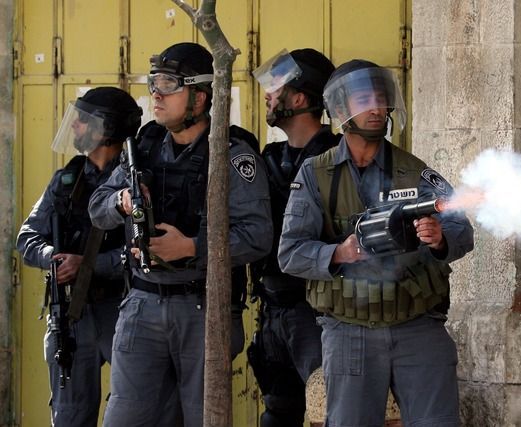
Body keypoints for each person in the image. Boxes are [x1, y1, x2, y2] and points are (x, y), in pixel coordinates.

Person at [278, 60, 474, 426]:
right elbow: (290, 253)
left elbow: (462, 229)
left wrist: (439, 238)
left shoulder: (413, 170)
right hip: (349, 330)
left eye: (381, 99)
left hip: (416, 326)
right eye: (363, 99)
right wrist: (340, 252)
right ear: (339, 111)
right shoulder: (315, 174)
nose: (376, 108)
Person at [88, 42, 272, 427]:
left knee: (204, 418)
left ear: (200, 97)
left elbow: (258, 236)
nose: (157, 94)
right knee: (123, 417)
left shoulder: (232, 154)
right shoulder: (144, 147)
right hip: (141, 300)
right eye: (154, 83)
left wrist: (190, 247)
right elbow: (98, 209)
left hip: (202, 306)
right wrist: (122, 200)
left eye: (169, 84)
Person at [16, 86, 142, 427]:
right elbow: (26, 237)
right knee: (69, 416)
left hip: (123, 310)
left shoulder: (134, 180)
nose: (74, 127)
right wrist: (52, 257)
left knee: (137, 411)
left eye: (84, 121)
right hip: (73, 317)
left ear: (109, 128)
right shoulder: (66, 179)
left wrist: (87, 266)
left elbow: (142, 251)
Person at [248, 48, 339, 427]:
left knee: (327, 411)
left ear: (299, 99)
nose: (268, 95)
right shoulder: (267, 158)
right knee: (278, 413)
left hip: (315, 313)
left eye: (277, 87)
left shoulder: (336, 158)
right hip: (272, 309)